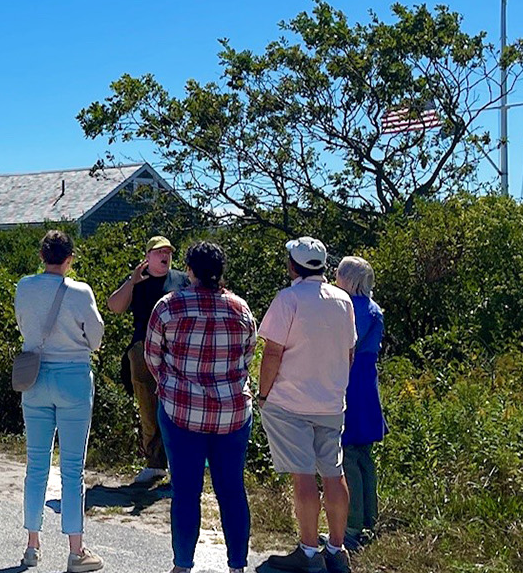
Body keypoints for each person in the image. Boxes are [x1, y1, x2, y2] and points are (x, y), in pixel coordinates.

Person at [145, 241, 257, 573]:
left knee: (186, 491)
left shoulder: (168, 306)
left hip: (181, 411)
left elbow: (153, 357)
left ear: (190, 270)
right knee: (232, 490)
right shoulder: (241, 309)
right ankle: (237, 565)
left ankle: (182, 565)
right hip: (233, 414)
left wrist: (172, 383)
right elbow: (247, 357)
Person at [257, 237, 358, 573]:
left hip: (290, 401)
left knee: (303, 476)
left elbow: (273, 352)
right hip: (331, 402)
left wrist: (263, 393)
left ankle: (309, 551)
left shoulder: (288, 299)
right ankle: (337, 548)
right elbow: (349, 352)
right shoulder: (342, 300)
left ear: (292, 265)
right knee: (333, 471)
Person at [14, 229, 106, 573]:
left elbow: (24, 325)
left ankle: (32, 545)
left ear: (42, 256)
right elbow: (95, 339)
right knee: (72, 469)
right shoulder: (80, 291)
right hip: (73, 378)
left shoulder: (24, 286)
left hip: (34, 378)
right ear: (69, 258)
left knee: (35, 465)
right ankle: (76, 550)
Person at [104, 234, 188, 488]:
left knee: (177, 407)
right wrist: (131, 281)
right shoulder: (137, 280)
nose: (165, 256)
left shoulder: (182, 280)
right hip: (142, 350)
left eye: (169, 252)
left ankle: (179, 464)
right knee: (148, 406)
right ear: (148, 256)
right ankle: (154, 464)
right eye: (160, 252)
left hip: (176, 351)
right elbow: (114, 307)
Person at [335, 256, 386, 550]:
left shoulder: (350, 308)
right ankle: (369, 521)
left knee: (349, 456)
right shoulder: (373, 309)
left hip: (350, 383)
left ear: (348, 278)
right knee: (364, 456)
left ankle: (352, 526)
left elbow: (344, 346)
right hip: (367, 384)